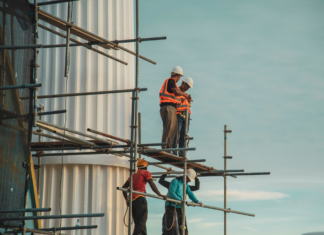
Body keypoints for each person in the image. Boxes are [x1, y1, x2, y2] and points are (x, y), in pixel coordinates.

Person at [122, 159, 167, 235]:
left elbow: (123, 188)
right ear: (145, 167)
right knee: (141, 221)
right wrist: (160, 194)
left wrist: (127, 199)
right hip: (140, 198)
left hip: (132, 200)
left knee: (139, 223)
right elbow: (152, 184)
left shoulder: (133, 175)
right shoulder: (146, 172)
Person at [160, 66, 192, 150]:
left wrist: (186, 99)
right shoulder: (171, 81)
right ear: (177, 75)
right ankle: (165, 147)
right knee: (169, 128)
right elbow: (176, 91)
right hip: (168, 107)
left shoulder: (174, 86)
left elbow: (177, 100)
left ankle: (169, 148)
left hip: (172, 108)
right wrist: (184, 94)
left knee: (172, 129)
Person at [171, 77, 194, 156]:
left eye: (189, 87)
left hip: (186, 117)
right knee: (176, 135)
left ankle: (182, 154)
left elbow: (187, 106)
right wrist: (184, 98)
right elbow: (175, 103)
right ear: (183, 83)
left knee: (183, 137)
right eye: (187, 86)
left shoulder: (185, 94)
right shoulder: (176, 91)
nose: (187, 88)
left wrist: (189, 101)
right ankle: (174, 153)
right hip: (178, 115)